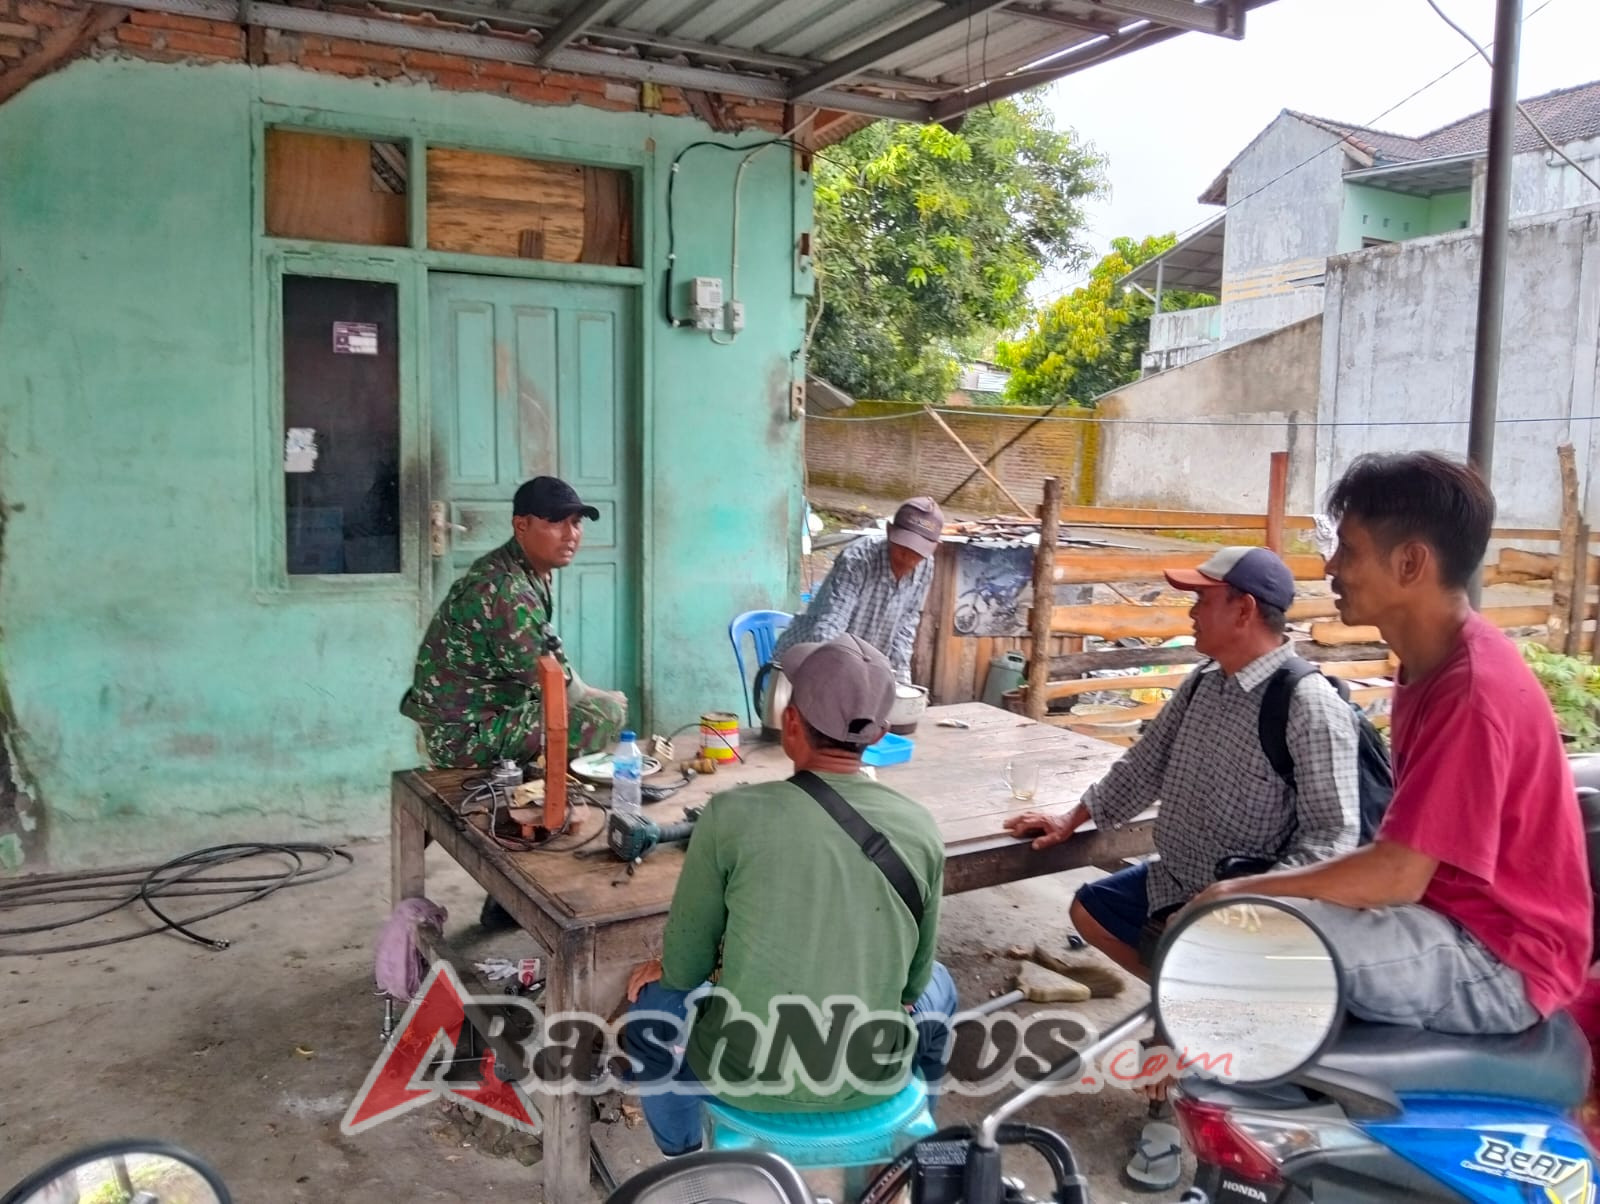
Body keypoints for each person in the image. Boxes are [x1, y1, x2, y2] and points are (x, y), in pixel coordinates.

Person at [1193, 452, 1592, 1036]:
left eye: (1348, 550)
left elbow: (1397, 875)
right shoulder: (1432, 664)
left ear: (1410, 563)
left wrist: (1241, 889)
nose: (1331, 566)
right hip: (1442, 920)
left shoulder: (1473, 690)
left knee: (1246, 933)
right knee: (1254, 925)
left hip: (1500, 960)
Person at [620, 634, 957, 1156]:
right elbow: (912, 987)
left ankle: (683, 1158)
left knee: (646, 1018)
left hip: (745, 1074)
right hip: (871, 1076)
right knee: (943, 985)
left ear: (792, 723)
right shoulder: (921, 827)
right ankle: (919, 1141)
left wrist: (671, 969)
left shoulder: (729, 815)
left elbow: (686, 970)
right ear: (881, 734)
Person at [1004, 546, 1361, 981]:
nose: (1191, 614)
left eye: (1202, 601)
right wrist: (1071, 818)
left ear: (1244, 610)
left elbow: (1333, 836)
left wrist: (1243, 898)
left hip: (1250, 908)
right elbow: (1146, 763)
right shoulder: (1204, 680)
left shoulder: (1308, 705)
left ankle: (1196, 1003)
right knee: (1090, 909)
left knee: (1191, 1021)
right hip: (1174, 880)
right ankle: (1181, 996)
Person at [400, 475, 627, 928]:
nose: (572, 534)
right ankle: (522, 885)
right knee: (600, 720)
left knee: (596, 709)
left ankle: (508, 893)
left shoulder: (527, 572)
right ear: (521, 526)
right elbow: (552, 688)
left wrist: (598, 695)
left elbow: (551, 659)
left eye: (577, 523)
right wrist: (608, 707)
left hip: (487, 715)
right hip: (464, 734)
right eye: (557, 523)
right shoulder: (505, 590)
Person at [773, 497, 944, 684]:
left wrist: (902, 680)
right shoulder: (857, 559)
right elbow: (831, 626)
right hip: (806, 662)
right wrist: (836, 681)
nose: (908, 560)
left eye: (917, 554)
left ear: (933, 548)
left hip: (860, 670)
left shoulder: (926, 565)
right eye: (903, 549)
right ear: (889, 531)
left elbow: (906, 625)